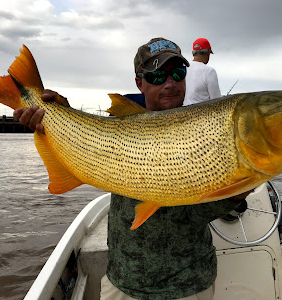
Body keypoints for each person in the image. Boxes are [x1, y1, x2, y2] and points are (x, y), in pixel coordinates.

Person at [14, 37, 251, 300]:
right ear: (139, 82)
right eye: (158, 75)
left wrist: (239, 191)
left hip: (189, 284)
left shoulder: (204, 131)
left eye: (178, 73)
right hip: (124, 282)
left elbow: (200, 212)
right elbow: (88, 137)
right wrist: (56, 113)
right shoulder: (120, 123)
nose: (170, 83)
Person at [183, 38, 222, 106]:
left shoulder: (183, 68)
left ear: (192, 53)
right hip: (201, 115)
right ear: (208, 52)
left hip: (182, 114)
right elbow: (217, 102)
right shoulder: (210, 71)